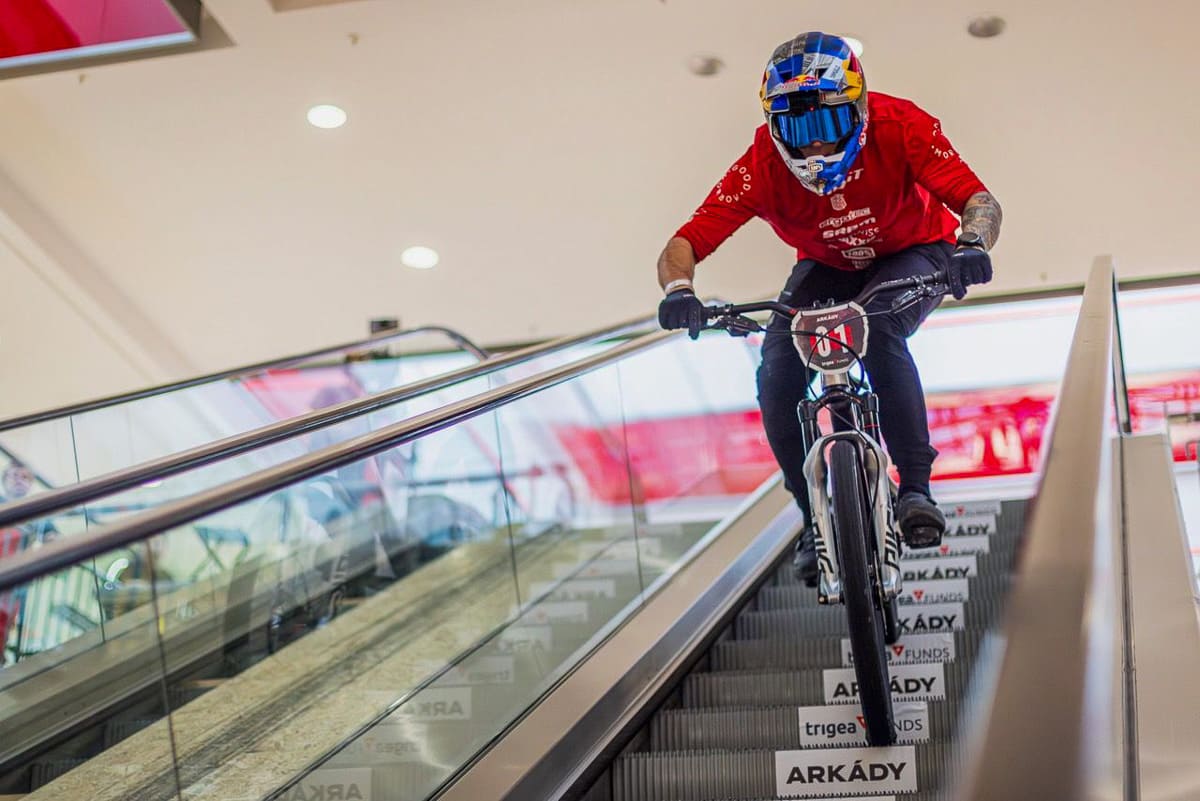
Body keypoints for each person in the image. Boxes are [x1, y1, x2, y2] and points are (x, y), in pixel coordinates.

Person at [656, 32, 1002, 586]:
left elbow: (977, 201)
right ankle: (811, 519)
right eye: (799, 130)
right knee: (776, 373)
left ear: (860, 107)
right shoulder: (761, 165)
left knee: (880, 326)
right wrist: (679, 292)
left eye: (827, 125)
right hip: (829, 266)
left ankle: (915, 488)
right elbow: (686, 242)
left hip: (918, 250)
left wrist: (973, 246)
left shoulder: (902, 124)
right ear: (775, 127)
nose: (815, 149)